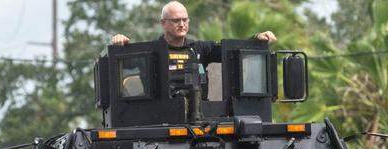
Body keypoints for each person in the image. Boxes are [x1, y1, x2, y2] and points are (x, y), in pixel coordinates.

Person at [110, 1, 276, 74]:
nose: (182, 24)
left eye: (185, 19)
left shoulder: (200, 48)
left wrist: (255, 39)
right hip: (161, 116)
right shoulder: (151, 50)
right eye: (176, 20)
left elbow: (232, 51)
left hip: (201, 118)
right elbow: (126, 66)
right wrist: (121, 44)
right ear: (163, 23)